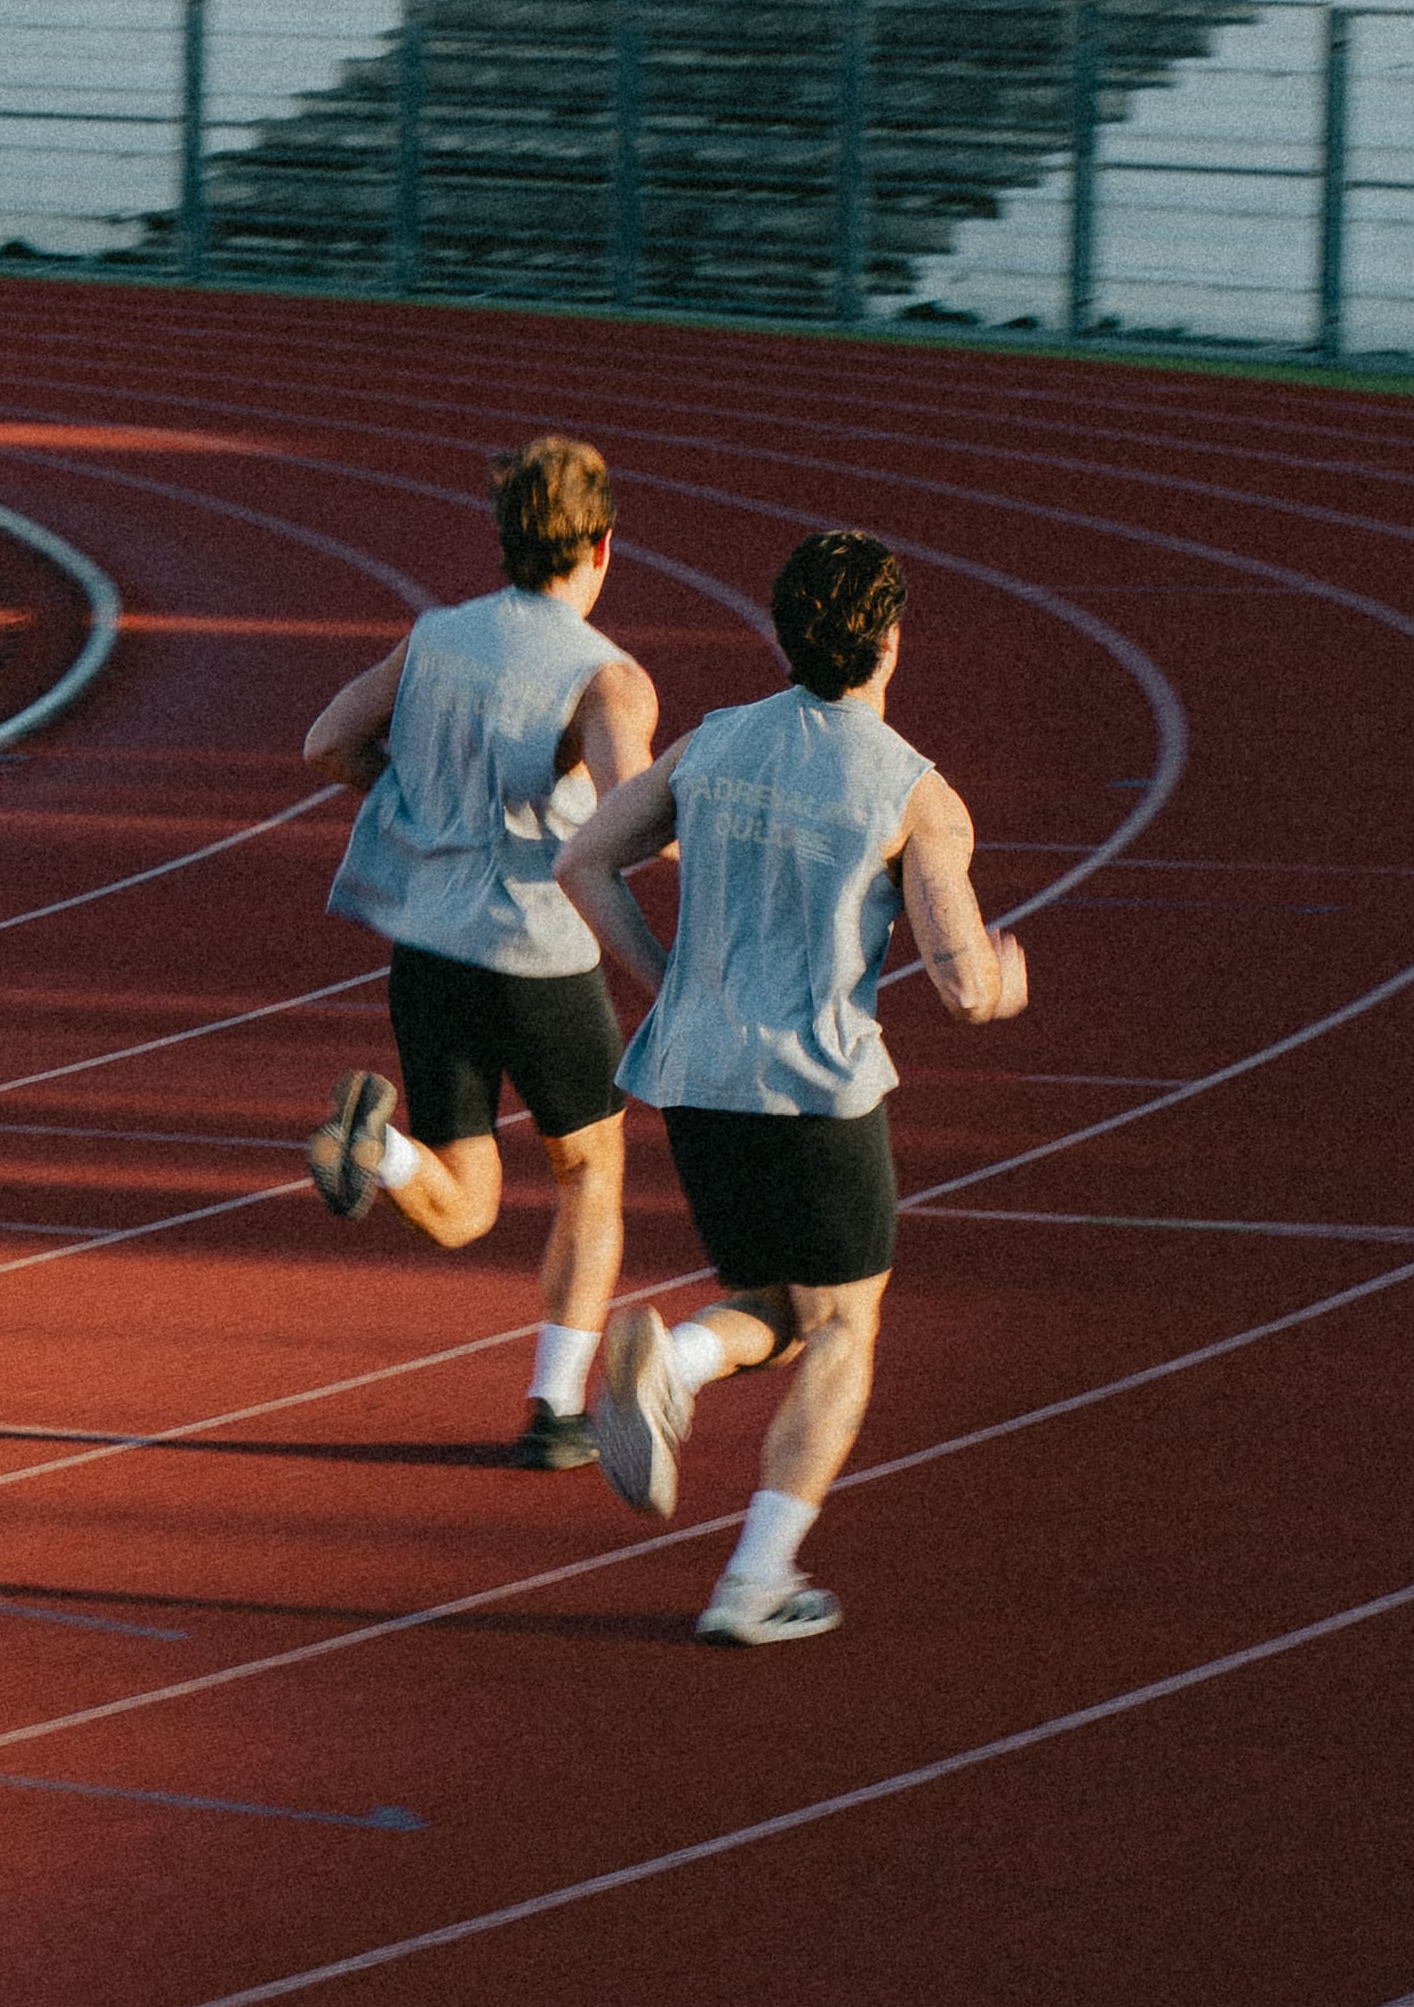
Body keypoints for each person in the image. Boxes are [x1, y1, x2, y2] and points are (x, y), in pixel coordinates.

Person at [555, 527, 1026, 1644]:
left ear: (779, 631)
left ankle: (673, 1360)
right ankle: (755, 1578)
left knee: (780, 1300)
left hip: (695, 1080)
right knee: (848, 1331)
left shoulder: (712, 745)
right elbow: (960, 984)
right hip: (816, 1091)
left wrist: (669, 981)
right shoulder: (915, 791)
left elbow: (582, 859)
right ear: (892, 641)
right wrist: (1003, 981)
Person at [300, 434, 667, 1467]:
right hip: (538, 953)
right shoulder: (607, 678)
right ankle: (554, 1407)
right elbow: (627, 813)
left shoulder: (435, 637)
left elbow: (325, 741)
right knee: (592, 1166)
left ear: (505, 538)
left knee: (462, 1201)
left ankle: (381, 1151)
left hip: (426, 942)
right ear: (601, 545)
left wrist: (415, 794)